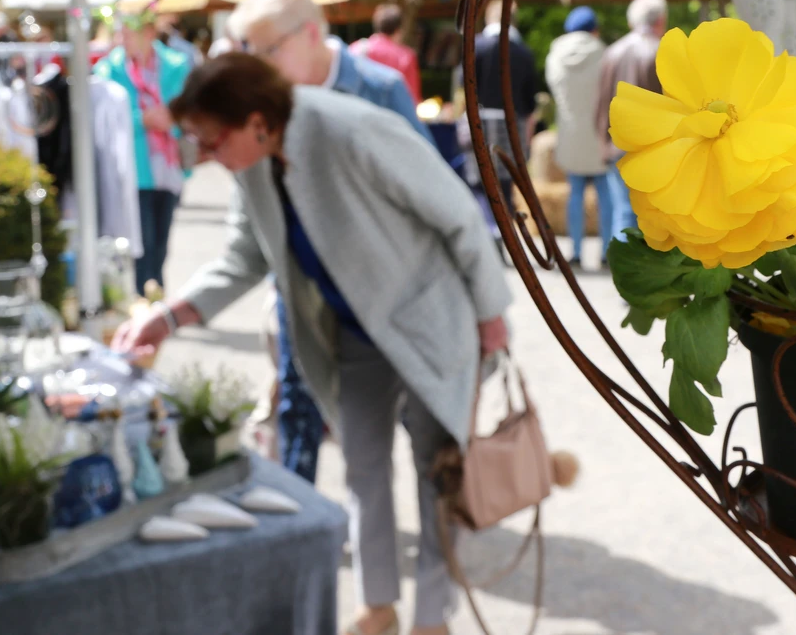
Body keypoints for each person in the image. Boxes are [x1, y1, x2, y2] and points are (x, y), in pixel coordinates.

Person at [111, 53, 510, 635]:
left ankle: (432, 618)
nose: (204, 156)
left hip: (429, 323)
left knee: (438, 475)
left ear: (256, 121)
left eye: (212, 141)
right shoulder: (251, 163)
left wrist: (490, 314)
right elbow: (242, 260)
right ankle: (378, 605)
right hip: (349, 332)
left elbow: (458, 215)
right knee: (362, 468)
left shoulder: (352, 127)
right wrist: (168, 318)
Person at [227, 0, 429, 483]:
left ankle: (441, 517)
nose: (258, 65)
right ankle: (306, 526)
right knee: (298, 406)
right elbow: (248, 233)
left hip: (381, 296)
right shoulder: (263, 106)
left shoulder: (380, 89)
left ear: (311, 34)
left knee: (410, 414)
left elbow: (433, 192)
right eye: (250, 53)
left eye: (267, 51)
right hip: (300, 290)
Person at [93, 10, 193, 294]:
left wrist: (172, 119)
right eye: (118, 33)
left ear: (148, 33)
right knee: (142, 241)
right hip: (132, 169)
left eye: (127, 33)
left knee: (161, 241)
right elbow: (107, 118)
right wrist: (144, 119)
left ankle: (156, 295)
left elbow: (187, 107)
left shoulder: (176, 64)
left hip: (167, 167)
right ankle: (143, 297)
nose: (120, 39)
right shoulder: (108, 69)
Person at [544, 6, 614, 267]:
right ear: (594, 29)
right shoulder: (604, 54)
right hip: (599, 135)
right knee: (605, 196)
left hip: (570, 135)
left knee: (574, 194)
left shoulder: (555, 55)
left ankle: (574, 251)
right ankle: (607, 251)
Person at [595, 0, 667, 239]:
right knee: (653, 214)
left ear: (630, 21)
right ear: (660, 20)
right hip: (653, 147)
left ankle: (620, 268)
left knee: (622, 210)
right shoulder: (662, 51)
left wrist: (603, 141)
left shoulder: (611, 52)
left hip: (615, 143)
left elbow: (601, 101)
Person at [470, 0, 538, 213]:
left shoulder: (476, 46)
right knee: (507, 181)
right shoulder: (524, 52)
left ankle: (487, 228)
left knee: (480, 179)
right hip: (511, 121)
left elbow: (465, 85)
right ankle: (505, 227)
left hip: (479, 119)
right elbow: (530, 98)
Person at [352, 3, 422, 102]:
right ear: (398, 30)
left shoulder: (356, 49)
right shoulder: (405, 56)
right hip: (392, 113)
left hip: (361, 111)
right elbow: (412, 97)